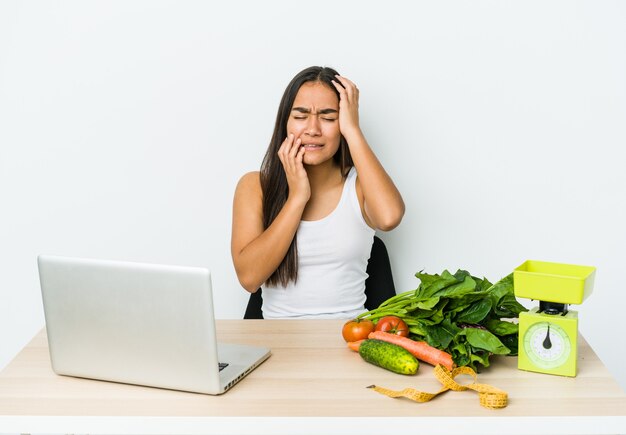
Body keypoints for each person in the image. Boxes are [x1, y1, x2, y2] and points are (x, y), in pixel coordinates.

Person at [231, 66, 404, 319]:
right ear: (285, 123)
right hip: (276, 346)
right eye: (300, 116)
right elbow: (249, 278)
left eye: (328, 117)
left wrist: (353, 130)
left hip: (348, 341)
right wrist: (297, 198)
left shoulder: (359, 186)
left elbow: (390, 218)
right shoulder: (254, 186)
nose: (313, 129)